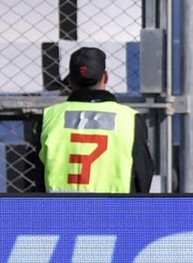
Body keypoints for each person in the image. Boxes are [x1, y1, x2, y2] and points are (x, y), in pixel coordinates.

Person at [32, 47, 154, 193]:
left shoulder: (49, 118)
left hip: (61, 212)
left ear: (70, 82)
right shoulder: (129, 119)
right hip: (114, 213)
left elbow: (39, 178)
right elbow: (143, 177)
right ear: (106, 77)